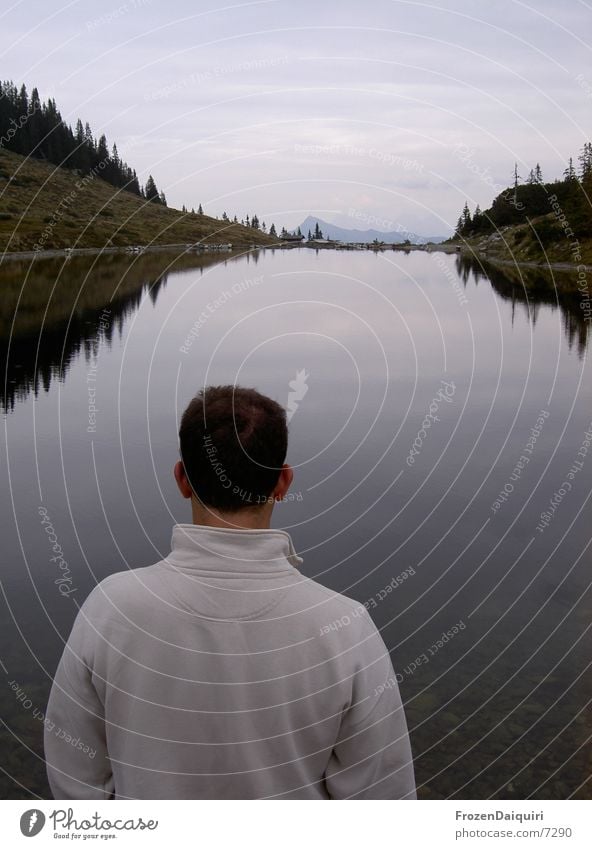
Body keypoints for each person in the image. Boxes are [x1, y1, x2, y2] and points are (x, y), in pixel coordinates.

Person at [44, 385, 416, 799]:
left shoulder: (111, 609)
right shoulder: (345, 625)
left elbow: (75, 780)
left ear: (182, 479)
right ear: (283, 482)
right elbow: (383, 801)